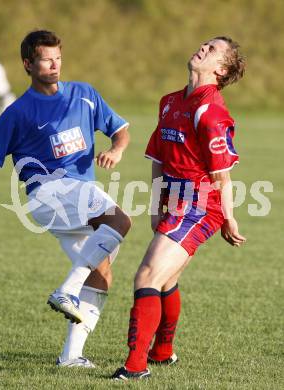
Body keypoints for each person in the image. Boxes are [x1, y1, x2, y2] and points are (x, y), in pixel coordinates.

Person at [0, 30, 131, 368]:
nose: (55, 64)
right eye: (46, 59)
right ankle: (66, 290)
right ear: (28, 64)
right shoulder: (18, 113)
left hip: (75, 197)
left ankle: (71, 357)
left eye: (58, 57)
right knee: (120, 220)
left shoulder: (84, 94)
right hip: (49, 193)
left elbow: (120, 129)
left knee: (101, 272)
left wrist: (117, 149)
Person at [112, 36, 246, 380]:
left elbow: (222, 176)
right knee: (166, 278)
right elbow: (158, 156)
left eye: (212, 49)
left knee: (146, 275)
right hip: (173, 201)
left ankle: (135, 367)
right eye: (205, 43)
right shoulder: (170, 101)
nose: (203, 48)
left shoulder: (211, 111)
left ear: (221, 69)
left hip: (199, 205)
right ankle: (162, 352)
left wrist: (228, 218)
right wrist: (157, 203)